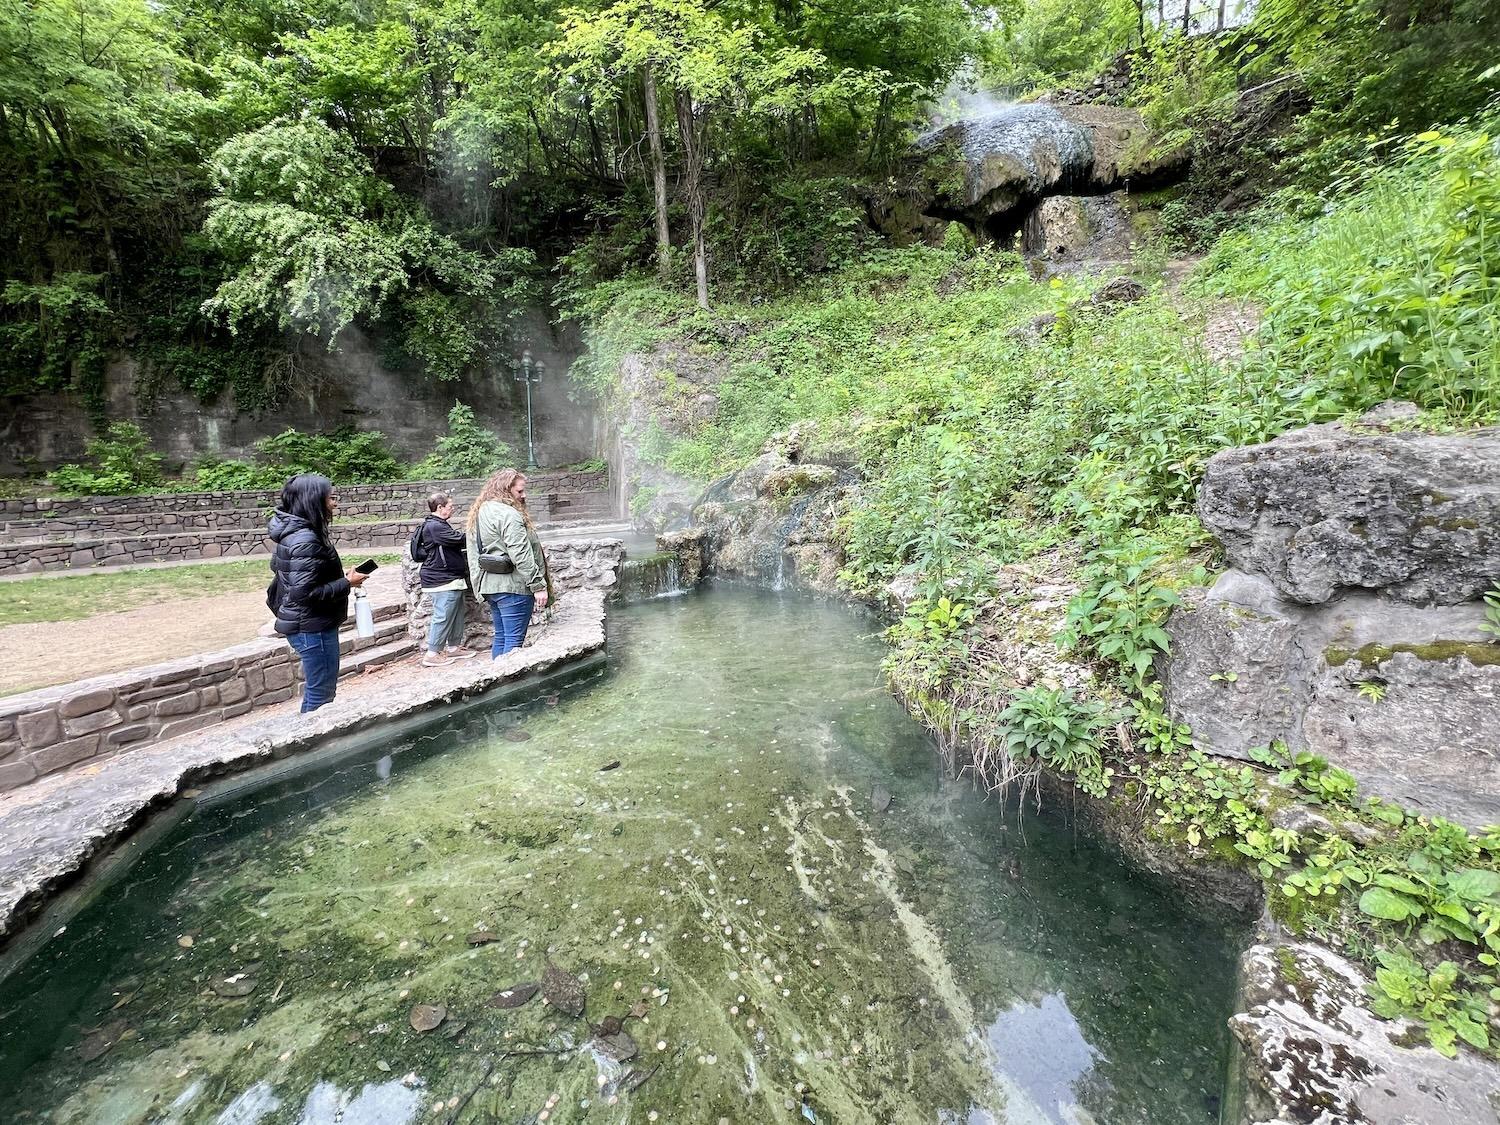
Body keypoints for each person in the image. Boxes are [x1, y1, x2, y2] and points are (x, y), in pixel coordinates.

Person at [267, 473, 367, 713]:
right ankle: (311, 742)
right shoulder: (305, 539)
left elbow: (290, 576)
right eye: (331, 498)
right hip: (312, 627)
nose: (335, 503)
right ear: (314, 500)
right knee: (321, 693)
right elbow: (305, 593)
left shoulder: (293, 532)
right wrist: (346, 583)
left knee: (319, 690)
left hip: (307, 624)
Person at [466, 468, 550, 658]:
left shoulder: (480, 512)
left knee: (502, 638)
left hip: (492, 587)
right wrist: (538, 585)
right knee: (513, 644)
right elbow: (521, 554)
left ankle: (496, 680)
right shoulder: (509, 515)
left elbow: (473, 556)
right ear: (505, 489)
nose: (523, 495)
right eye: (519, 491)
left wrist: (479, 587)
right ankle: (508, 684)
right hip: (513, 588)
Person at [415, 491, 475, 667]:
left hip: (450, 578)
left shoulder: (439, 524)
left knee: (455, 613)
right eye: (450, 506)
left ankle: (453, 648)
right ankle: (432, 653)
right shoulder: (435, 526)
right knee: (443, 615)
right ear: (440, 508)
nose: (453, 509)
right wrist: (479, 534)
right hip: (441, 579)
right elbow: (459, 540)